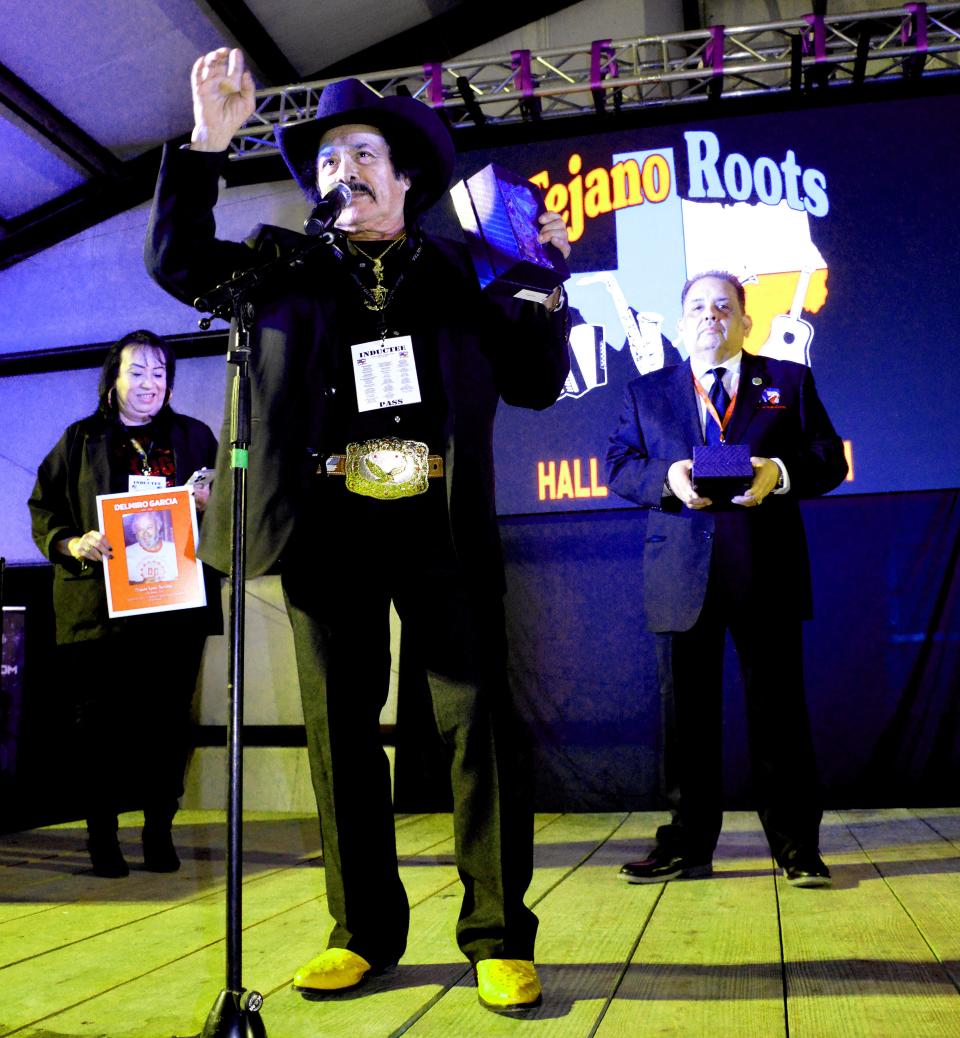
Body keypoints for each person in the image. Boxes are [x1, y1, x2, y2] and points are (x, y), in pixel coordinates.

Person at [145, 48, 571, 1012]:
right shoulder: (280, 265)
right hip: (325, 525)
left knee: (476, 730)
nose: (344, 171)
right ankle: (364, 931)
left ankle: (498, 935)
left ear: (405, 174)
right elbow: (175, 261)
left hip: (439, 522)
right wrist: (210, 141)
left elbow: (538, 383)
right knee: (340, 734)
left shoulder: (463, 272)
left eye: (362, 152)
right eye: (329, 160)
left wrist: (548, 274)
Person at [606, 271, 848, 888]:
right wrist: (669, 479)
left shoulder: (787, 381)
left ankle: (797, 849)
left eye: (723, 306)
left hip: (765, 571)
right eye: (697, 307)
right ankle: (687, 845)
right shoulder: (646, 391)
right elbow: (619, 466)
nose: (709, 315)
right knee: (684, 725)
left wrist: (780, 473)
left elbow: (826, 458)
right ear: (683, 322)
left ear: (746, 321)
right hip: (680, 574)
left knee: (779, 718)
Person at [28, 330, 221, 878]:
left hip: (174, 607)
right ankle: (102, 838)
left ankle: (159, 831)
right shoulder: (80, 439)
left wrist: (212, 503)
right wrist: (72, 543)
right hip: (99, 609)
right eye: (137, 371)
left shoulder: (194, 436)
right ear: (112, 379)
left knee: (168, 724)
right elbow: (44, 509)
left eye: (160, 373)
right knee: (100, 727)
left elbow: (229, 509)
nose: (149, 383)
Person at [125, 510, 179, 583]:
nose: (145, 533)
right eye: (140, 529)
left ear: (158, 526)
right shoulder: (126, 553)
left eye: (149, 527)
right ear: (135, 531)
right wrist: (140, 585)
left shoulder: (174, 550)